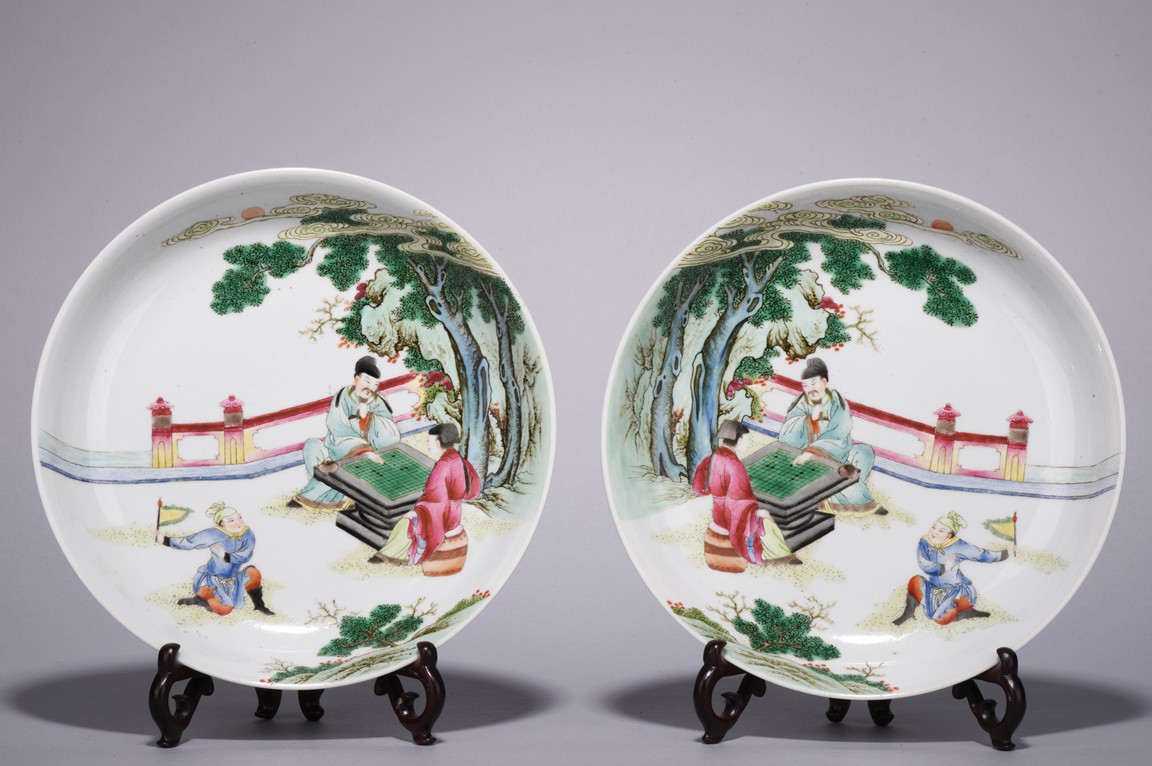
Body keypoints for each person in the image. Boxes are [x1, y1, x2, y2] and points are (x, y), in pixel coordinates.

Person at [290, 355, 401, 511]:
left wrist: (368, 419)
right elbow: (337, 428)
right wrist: (361, 450)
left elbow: (391, 436)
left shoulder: (379, 401)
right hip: (341, 449)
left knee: (336, 469)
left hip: (371, 458)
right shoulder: (342, 397)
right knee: (312, 446)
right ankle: (329, 496)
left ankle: (311, 497)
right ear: (356, 379)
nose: (370, 387)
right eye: (367, 381)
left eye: (375, 384)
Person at [777, 357, 886, 515]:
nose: (809, 389)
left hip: (835, 452)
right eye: (805, 385)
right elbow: (786, 432)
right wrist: (809, 420)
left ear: (824, 382)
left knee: (864, 452)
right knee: (845, 476)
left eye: (813, 383)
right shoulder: (802, 401)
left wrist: (814, 452)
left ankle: (832, 495)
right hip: (804, 457)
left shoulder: (837, 402)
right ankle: (862, 502)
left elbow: (838, 434)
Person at [374, 423, 482, 569]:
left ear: (437, 443)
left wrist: (417, 511)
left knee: (406, 522)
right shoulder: (460, 461)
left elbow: (434, 498)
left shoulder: (443, 465)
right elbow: (474, 491)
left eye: (429, 442)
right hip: (454, 512)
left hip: (442, 515)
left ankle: (393, 557)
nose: (428, 445)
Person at [692, 419, 797, 567]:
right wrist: (757, 512)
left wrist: (719, 489)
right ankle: (782, 556)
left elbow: (698, 488)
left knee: (762, 513)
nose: (747, 444)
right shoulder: (734, 465)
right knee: (766, 518)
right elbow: (740, 501)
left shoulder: (710, 459)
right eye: (747, 440)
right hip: (731, 517)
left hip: (718, 513)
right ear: (739, 440)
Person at [892, 511, 1015, 626]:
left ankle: (966, 613)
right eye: (933, 527)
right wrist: (945, 566)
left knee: (942, 619)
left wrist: (1006, 553)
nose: (934, 532)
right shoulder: (924, 542)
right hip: (933, 590)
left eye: (941, 531)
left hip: (954, 590)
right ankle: (908, 613)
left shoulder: (958, 545)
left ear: (949, 536)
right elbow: (924, 564)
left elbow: (981, 555)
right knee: (915, 581)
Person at [157, 502, 274, 616]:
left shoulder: (247, 534)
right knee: (224, 610)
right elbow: (190, 542)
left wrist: (225, 555)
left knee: (253, 572)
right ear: (222, 524)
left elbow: (245, 556)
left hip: (232, 580)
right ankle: (200, 600)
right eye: (231, 520)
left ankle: (259, 605)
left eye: (239, 517)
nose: (238, 522)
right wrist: (164, 540)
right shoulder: (214, 534)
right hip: (212, 579)